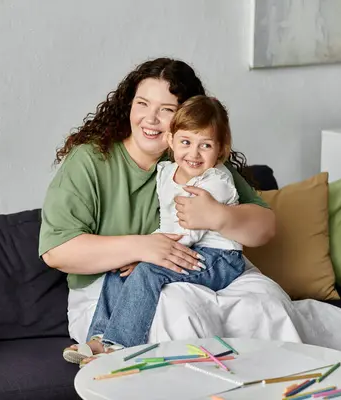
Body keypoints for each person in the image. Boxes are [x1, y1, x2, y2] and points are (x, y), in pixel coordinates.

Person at [39, 57, 341, 366]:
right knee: (178, 310)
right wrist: (144, 247)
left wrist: (219, 217)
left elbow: (265, 227)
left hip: (207, 267)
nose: (150, 119)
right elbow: (57, 251)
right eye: (142, 104)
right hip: (117, 285)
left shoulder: (194, 155)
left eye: (166, 109)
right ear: (129, 105)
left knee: (266, 301)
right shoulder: (90, 161)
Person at [85, 95, 246, 355]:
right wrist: (138, 252)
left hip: (220, 258)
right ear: (171, 140)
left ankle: (119, 346)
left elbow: (187, 233)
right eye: (185, 142)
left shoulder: (215, 182)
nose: (193, 153)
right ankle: (99, 336)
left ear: (221, 149)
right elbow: (169, 223)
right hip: (183, 245)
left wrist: (147, 256)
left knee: (146, 271)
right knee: (119, 267)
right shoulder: (165, 172)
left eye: (205, 145)